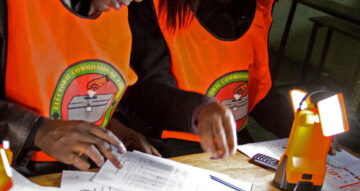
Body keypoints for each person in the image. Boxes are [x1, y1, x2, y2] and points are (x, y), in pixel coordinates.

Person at [0, 0, 237, 177]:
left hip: (75, 181)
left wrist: (117, 129)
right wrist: (37, 131)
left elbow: (129, 92)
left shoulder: (116, 10)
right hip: (13, 179)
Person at [121, 0, 295, 158]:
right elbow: (147, 93)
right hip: (173, 148)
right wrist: (199, 109)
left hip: (234, 147)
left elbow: (257, 91)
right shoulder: (153, 6)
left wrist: (300, 122)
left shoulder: (258, 8)